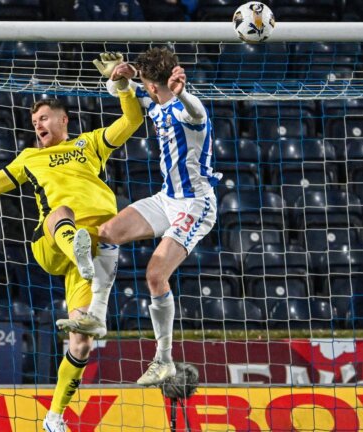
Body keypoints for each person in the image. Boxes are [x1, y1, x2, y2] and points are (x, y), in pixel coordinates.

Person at [0, 56, 143, 432]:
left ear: (64, 120)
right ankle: (77, 248)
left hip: (96, 245)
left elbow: (132, 120)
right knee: (60, 212)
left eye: (44, 119)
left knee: (81, 342)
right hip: (53, 242)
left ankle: (53, 418)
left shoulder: (90, 144)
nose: (38, 125)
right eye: (34, 122)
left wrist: (123, 86)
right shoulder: (29, 158)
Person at [57, 47, 219, 386]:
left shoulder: (188, 107)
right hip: (167, 197)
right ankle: (96, 317)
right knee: (107, 232)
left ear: (154, 85)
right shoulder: (155, 103)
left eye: (144, 83)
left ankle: (164, 360)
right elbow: (122, 95)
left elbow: (195, 112)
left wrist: (183, 93)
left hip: (195, 204)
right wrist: (120, 77)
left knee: (155, 276)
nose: (143, 88)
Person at [73, 0, 145, 21]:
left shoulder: (130, 2)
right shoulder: (84, 2)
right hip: (92, 55)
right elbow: (84, 37)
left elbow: (140, 35)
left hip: (125, 54)